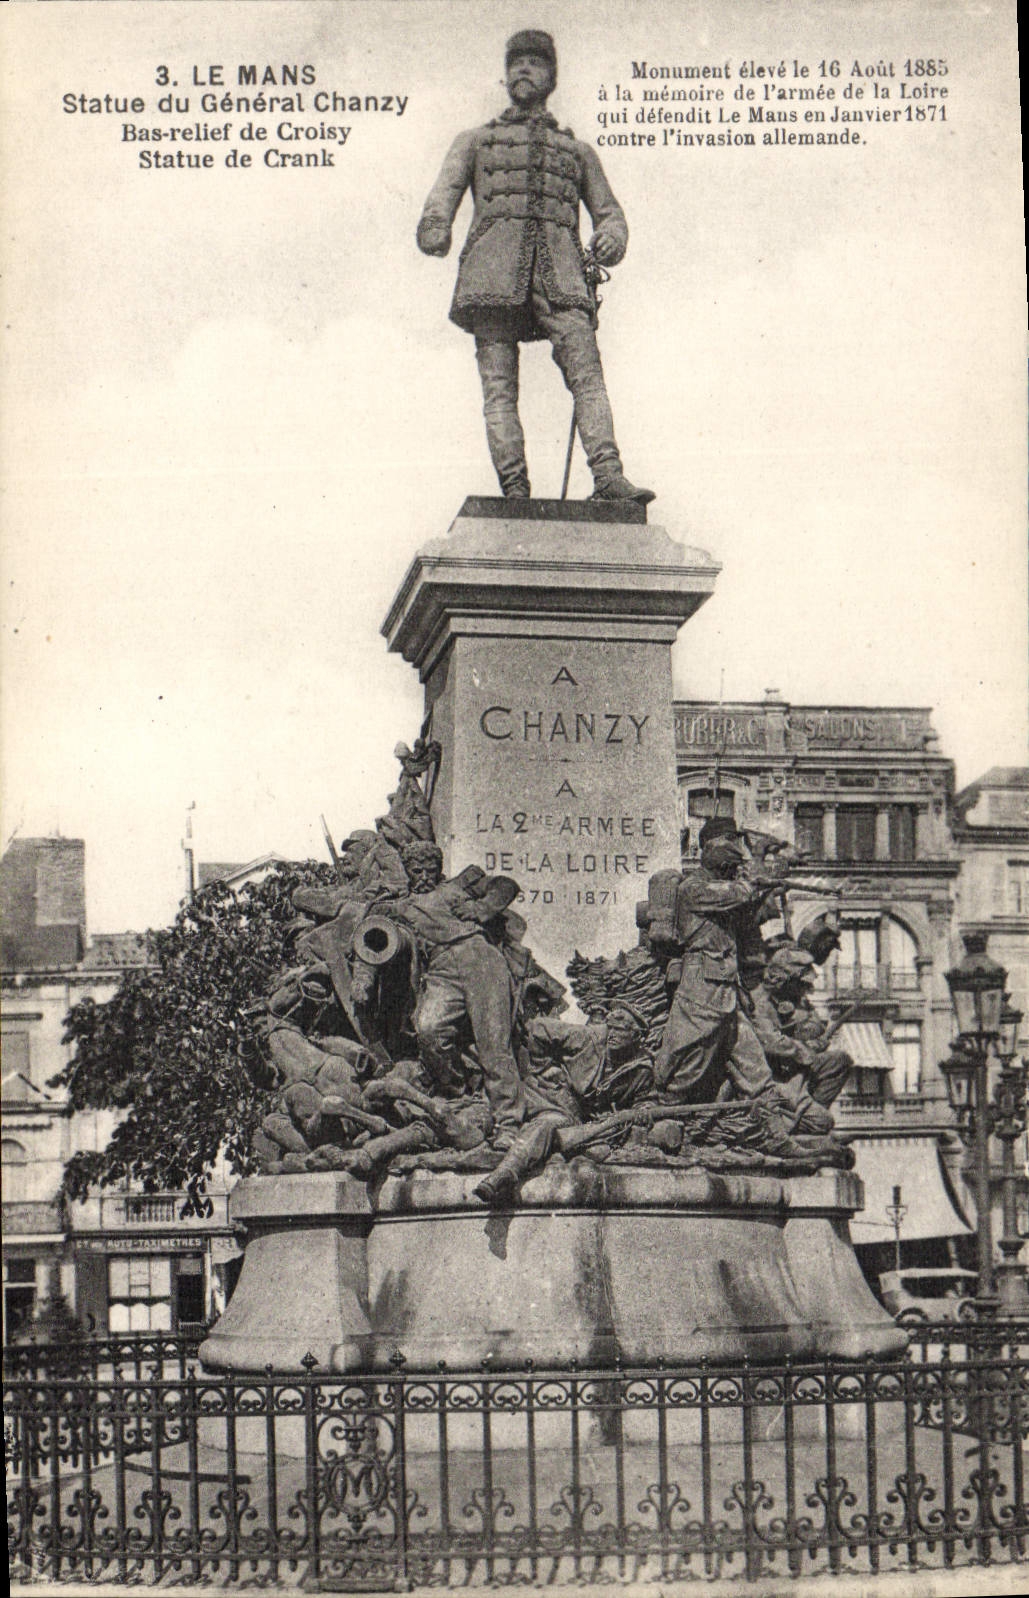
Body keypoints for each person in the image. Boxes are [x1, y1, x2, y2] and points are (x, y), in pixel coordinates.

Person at [417, 30, 653, 503]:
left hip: (562, 276)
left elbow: (610, 212)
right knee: (500, 387)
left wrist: (611, 236)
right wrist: (434, 226)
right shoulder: (475, 141)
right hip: (491, 273)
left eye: (535, 63)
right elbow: (440, 200)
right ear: (505, 76)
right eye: (516, 63)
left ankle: (608, 475)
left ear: (552, 76)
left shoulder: (578, 151)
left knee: (587, 372)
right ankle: (515, 490)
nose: (523, 70)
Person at [474, 1001, 654, 1202]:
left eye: (621, 1031)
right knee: (541, 1122)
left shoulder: (641, 1070)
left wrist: (643, 1110)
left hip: (575, 1117)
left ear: (637, 1036)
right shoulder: (588, 1037)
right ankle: (504, 1173)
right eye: (611, 1028)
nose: (612, 1034)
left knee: (557, 1130)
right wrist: (545, 1067)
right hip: (546, 1097)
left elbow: (643, 1099)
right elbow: (537, 1028)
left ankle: (515, 1167)